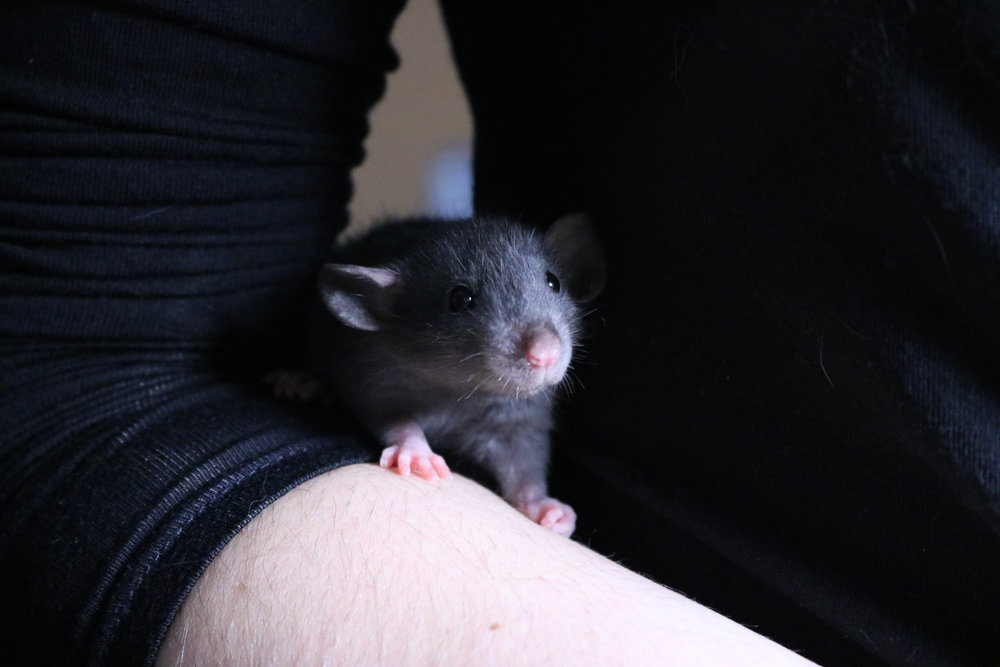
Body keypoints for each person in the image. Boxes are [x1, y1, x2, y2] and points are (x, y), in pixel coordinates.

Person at [1, 1, 997, 665]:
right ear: (374, 304)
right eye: (485, 313)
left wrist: (531, 495)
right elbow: (85, 376)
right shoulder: (375, 324)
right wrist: (403, 437)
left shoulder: (528, 326)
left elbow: (526, 427)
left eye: (556, 295)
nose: (541, 346)